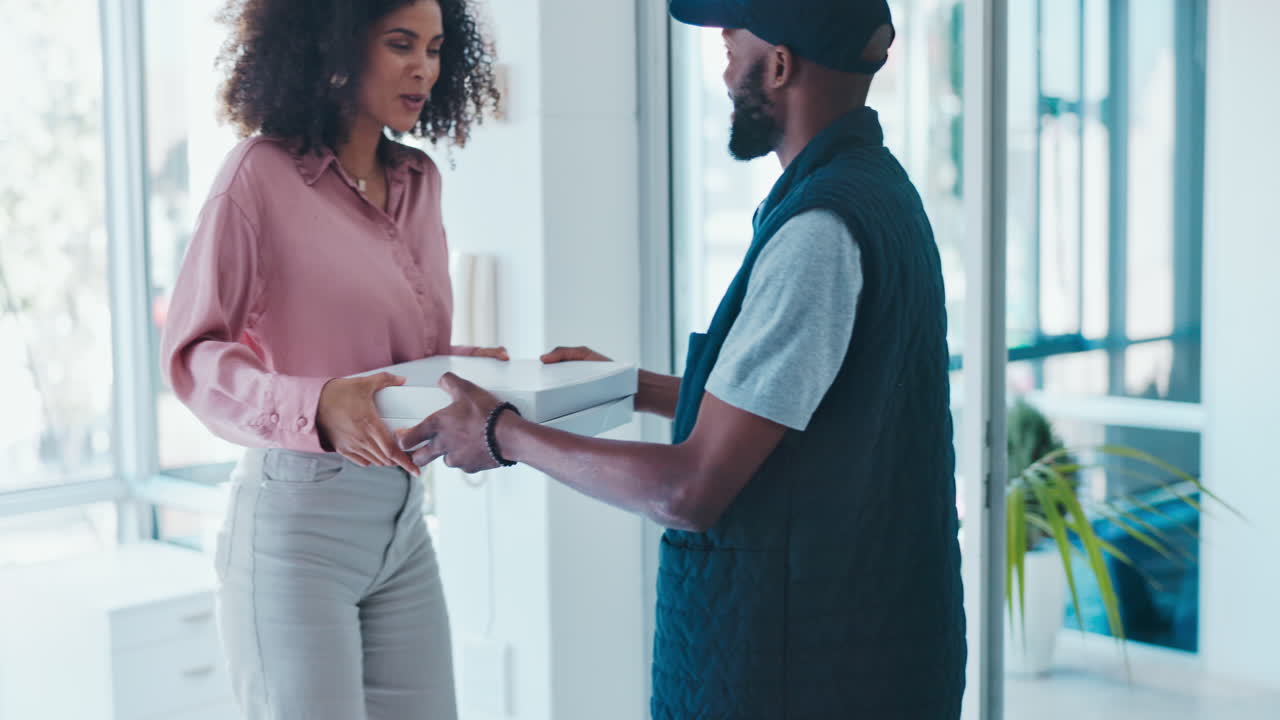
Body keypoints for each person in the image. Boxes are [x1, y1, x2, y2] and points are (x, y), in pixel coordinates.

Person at [401, 0, 966, 717]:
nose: (724, 55)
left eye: (734, 40)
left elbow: (688, 492)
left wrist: (498, 434)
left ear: (781, 64)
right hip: (868, 653)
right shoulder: (877, 193)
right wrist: (633, 387)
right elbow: (808, 410)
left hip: (795, 674)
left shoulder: (819, 231)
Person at [159, 1, 504, 717]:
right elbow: (193, 356)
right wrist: (316, 404)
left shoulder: (419, 179)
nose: (424, 68)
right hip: (297, 530)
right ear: (337, 45)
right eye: (401, 44)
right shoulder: (258, 175)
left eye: (436, 48)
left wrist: (509, 373)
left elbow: (403, 357)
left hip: (404, 524)